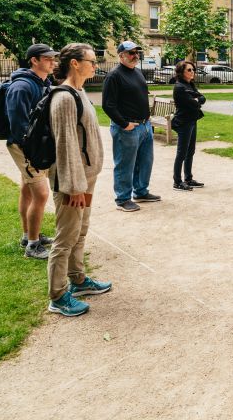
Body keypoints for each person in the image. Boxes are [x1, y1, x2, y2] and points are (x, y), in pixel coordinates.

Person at [47, 43, 111, 317]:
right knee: (66, 236)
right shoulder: (63, 98)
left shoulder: (80, 92)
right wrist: (73, 186)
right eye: (91, 61)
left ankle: (79, 279)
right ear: (75, 63)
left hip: (86, 178)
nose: (95, 65)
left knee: (81, 230)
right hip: (72, 182)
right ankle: (58, 296)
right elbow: (66, 145)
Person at [5, 43, 58, 259]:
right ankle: (33, 246)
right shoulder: (22, 87)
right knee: (41, 193)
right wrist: (32, 152)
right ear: (34, 60)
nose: (52, 62)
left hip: (33, 145)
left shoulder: (44, 82)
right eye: (47, 58)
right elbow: (18, 125)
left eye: (53, 58)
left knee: (27, 190)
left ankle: (28, 235)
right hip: (25, 147)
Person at [102, 40, 159, 212]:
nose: (135, 55)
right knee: (125, 164)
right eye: (131, 53)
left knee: (145, 161)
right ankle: (123, 199)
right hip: (127, 128)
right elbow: (108, 105)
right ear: (121, 55)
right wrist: (124, 124)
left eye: (137, 52)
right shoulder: (114, 75)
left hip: (144, 126)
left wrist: (147, 119)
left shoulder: (137, 72)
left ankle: (141, 191)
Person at [171, 60, 206, 191]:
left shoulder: (190, 84)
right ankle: (177, 181)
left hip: (192, 120)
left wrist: (197, 100)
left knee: (190, 152)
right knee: (182, 152)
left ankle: (188, 178)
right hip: (183, 122)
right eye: (189, 70)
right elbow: (194, 103)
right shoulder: (180, 87)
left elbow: (202, 98)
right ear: (181, 72)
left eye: (193, 70)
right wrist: (197, 100)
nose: (193, 72)